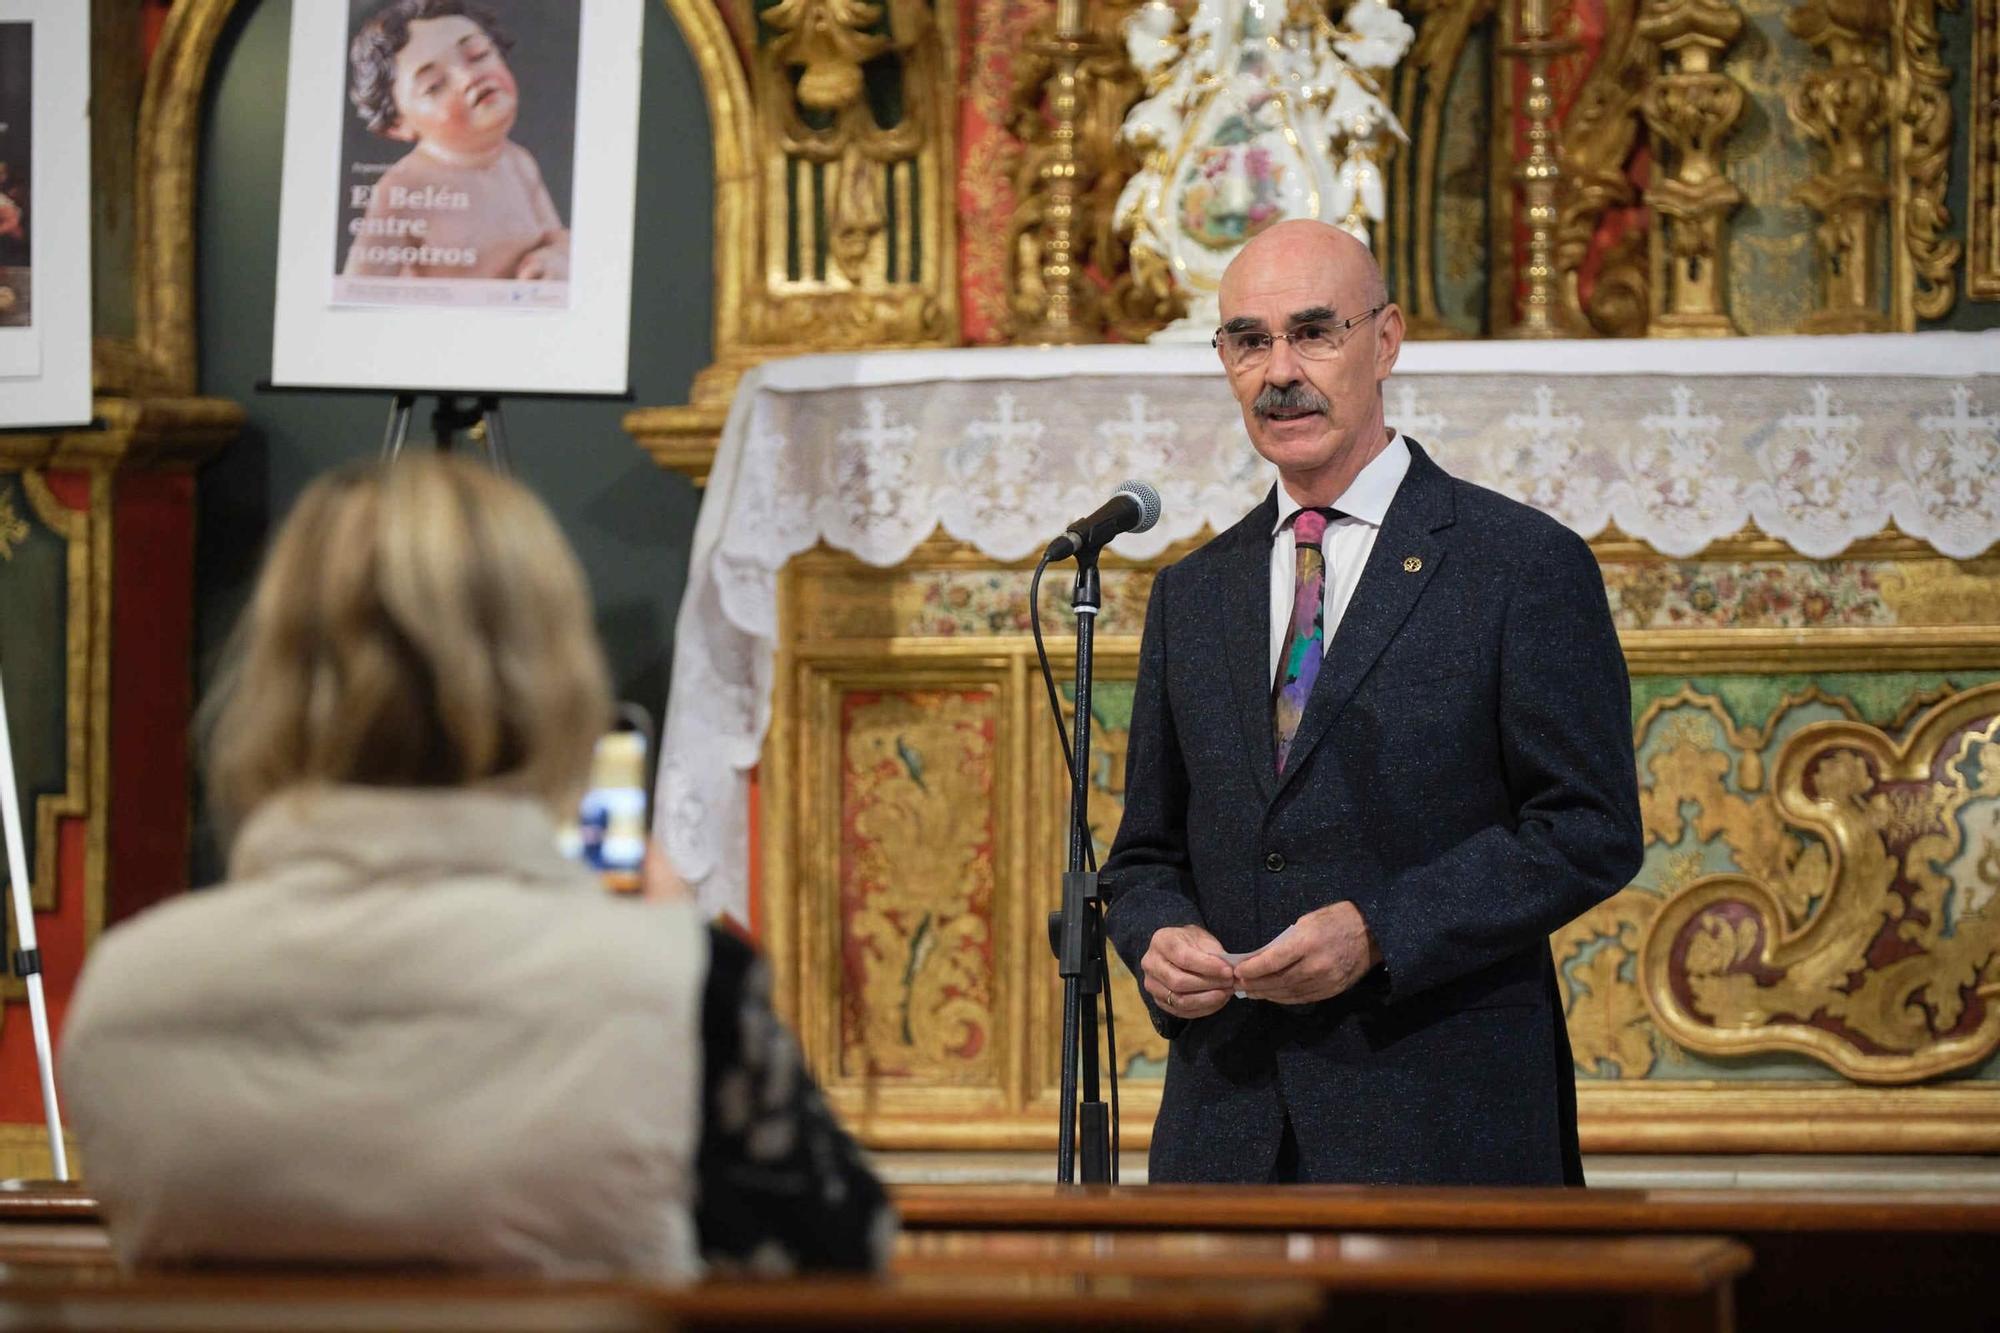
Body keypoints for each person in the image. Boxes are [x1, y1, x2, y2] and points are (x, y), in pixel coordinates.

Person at [60, 455, 892, 1276]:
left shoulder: (124, 991)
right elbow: (842, 1266)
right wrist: (668, 940)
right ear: (557, 680)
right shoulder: (676, 986)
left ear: (271, 680)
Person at [1102, 219, 1643, 1186]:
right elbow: (1146, 852)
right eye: (1248, 340)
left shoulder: (1518, 563)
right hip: (1225, 1133)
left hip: (1441, 1125)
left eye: (1315, 332)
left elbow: (1588, 826)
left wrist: (1382, 930)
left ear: (1385, 340)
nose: (1279, 371)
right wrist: (1156, 940)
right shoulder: (1193, 593)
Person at [342, 0, 570, 282]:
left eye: (477, 54)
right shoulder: (402, 189)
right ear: (397, 125)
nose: (468, 77)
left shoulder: (519, 163)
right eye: (435, 85)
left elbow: (557, 237)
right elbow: (361, 286)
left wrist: (554, 259)